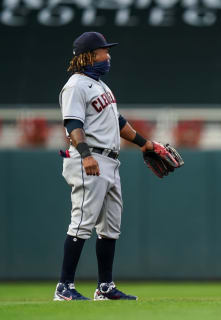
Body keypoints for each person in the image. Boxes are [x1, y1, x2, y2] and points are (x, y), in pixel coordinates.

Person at [54, 31, 156, 301]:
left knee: (110, 226)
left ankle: (105, 287)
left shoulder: (101, 86)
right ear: (88, 56)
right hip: (90, 159)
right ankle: (64, 287)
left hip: (110, 160)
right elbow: (73, 124)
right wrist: (86, 154)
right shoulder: (76, 85)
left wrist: (145, 143)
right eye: (103, 52)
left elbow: (118, 122)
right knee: (82, 223)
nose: (108, 56)